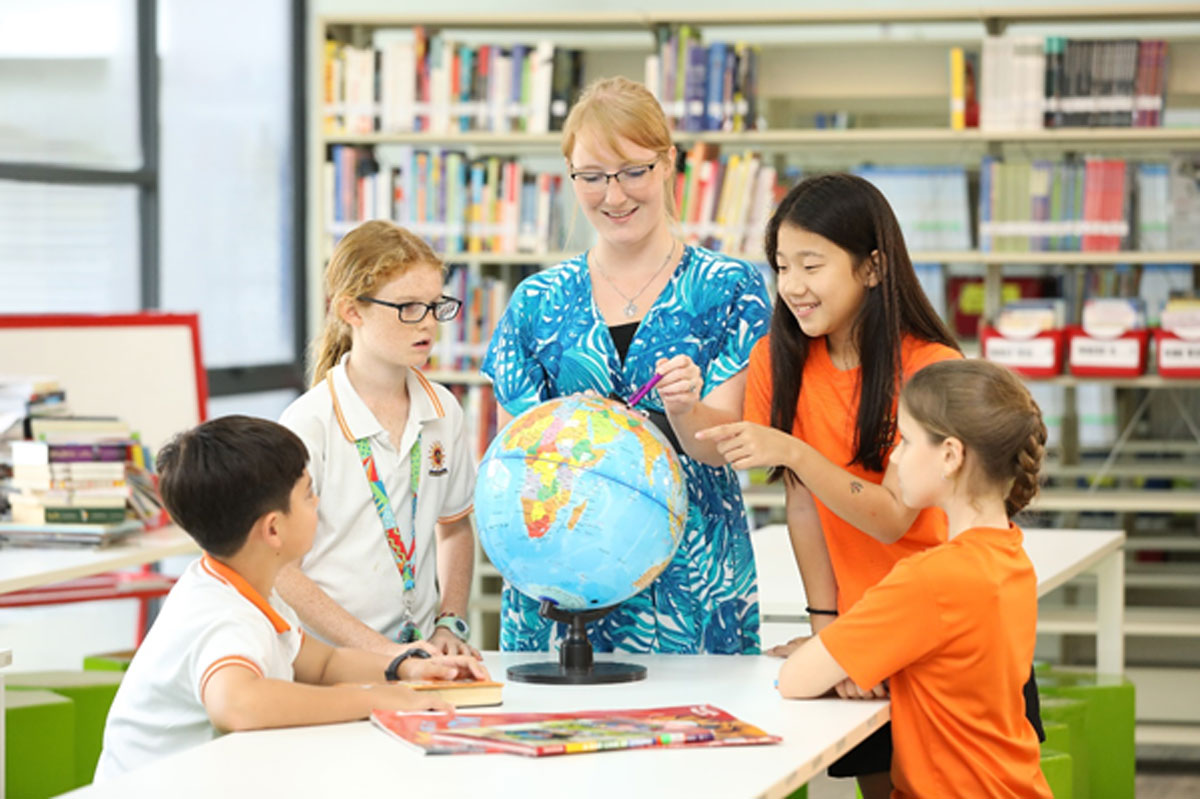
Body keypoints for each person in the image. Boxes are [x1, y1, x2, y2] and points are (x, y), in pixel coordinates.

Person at [695, 173, 1040, 798]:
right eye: (781, 267)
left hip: (938, 623)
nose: (793, 286)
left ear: (873, 267)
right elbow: (803, 506)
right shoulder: (780, 355)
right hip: (871, 632)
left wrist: (794, 449)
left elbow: (890, 518)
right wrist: (832, 632)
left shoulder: (930, 368)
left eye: (812, 264)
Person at [481, 76, 772, 654]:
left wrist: (687, 409)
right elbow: (515, 464)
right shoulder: (536, 303)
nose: (614, 197)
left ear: (669, 163)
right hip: (560, 579)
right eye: (591, 178)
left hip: (691, 578)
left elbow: (725, 447)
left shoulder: (728, 289)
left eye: (633, 171)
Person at [94, 416, 488, 780]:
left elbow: (322, 663)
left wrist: (405, 669)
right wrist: (373, 700)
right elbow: (238, 705)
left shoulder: (247, 584)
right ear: (273, 531)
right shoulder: (222, 615)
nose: (318, 503)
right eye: (308, 494)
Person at [775, 359, 1054, 799]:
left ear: (950, 455)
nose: (894, 456)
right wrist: (865, 659)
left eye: (904, 441)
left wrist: (849, 659)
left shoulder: (931, 579)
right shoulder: (1010, 555)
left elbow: (794, 680)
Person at [278, 220, 478, 658]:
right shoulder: (309, 423)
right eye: (408, 308)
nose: (428, 325)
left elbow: (456, 527)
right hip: (328, 661)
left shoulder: (444, 409)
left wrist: (450, 623)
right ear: (352, 311)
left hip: (417, 656)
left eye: (434, 305)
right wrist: (381, 653)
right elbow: (282, 572)